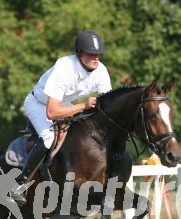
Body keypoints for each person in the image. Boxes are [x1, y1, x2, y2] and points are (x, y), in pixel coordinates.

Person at [10, 31, 112, 206]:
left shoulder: (101, 71)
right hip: (39, 104)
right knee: (49, 139)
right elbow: (52, 112)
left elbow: (108, 105)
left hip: (65, 103)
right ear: (79, 53)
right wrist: (83, 106)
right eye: (91, 54)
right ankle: (20, 184)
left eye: (98, 54)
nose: (96, 58)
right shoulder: (64, 68)